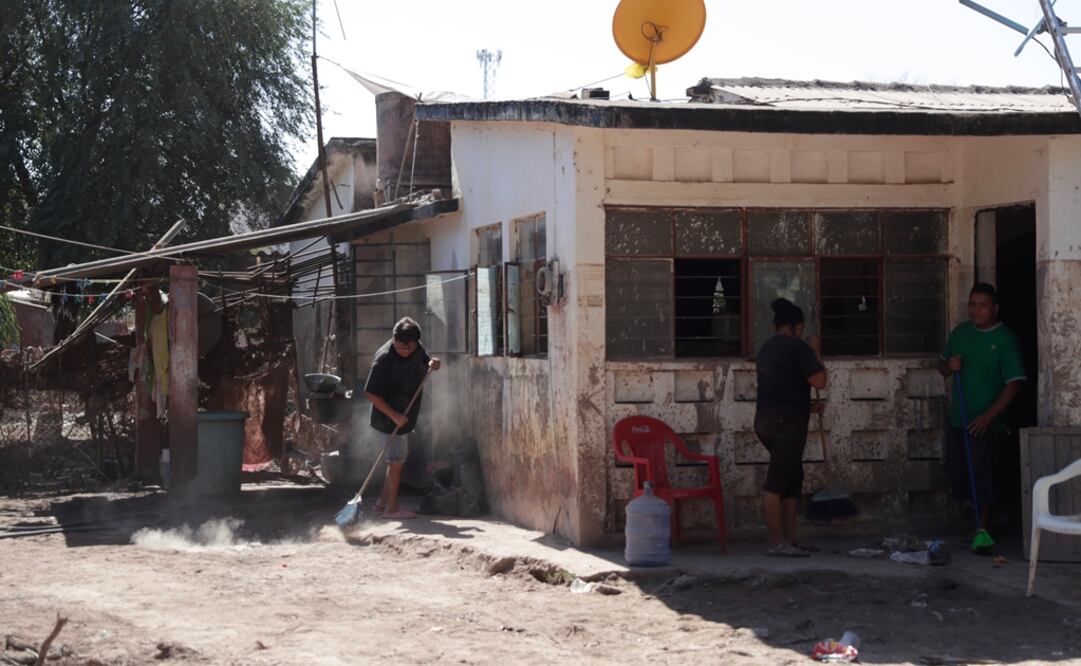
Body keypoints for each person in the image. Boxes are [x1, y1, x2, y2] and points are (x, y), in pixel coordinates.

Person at [938, 283, 1025, 530]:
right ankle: (974, 520)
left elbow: (1014, 383)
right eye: (972, 304)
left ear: (994, 309)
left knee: (984, 476)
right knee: (961, 474)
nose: (976, 310)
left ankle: (982, 527)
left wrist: (988, 417)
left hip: (987, 423)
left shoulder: (1004, 339)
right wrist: (949, 367)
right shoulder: (959, 334)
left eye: (983, 305)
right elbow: (941, 366)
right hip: (959, 419)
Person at [755, 298, 827, 557]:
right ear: (797, 327)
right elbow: (819, 381)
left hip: (767, 421)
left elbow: (778, 391)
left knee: (792, 479)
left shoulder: (766, 349)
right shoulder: (799, 348)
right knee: (776, 483)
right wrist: (816, 351)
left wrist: (808, 408)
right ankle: (777, 543)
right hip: (787, 425)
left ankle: (790, 540)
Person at [363, 316, 441, 519]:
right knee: (396, 461)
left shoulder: (417, 347)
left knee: (395, 461)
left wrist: (433, 363)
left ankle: (381, 503)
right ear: (394, 340)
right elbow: (371, 394)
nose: (405, 351)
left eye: (409, 348)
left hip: (405, 413)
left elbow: (426, 360)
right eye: (400, 348)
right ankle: (391, 508)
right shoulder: (383, 359)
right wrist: (395, 416)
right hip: (388, 417)